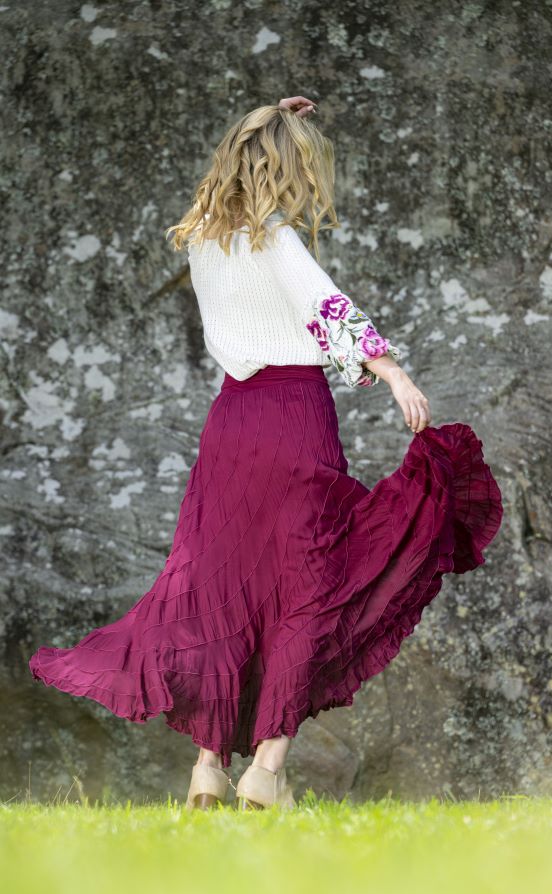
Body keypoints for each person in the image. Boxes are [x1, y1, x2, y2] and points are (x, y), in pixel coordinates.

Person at [29, 96, 503, 812]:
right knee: (309, 586)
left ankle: (207, 770)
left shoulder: (201, 234)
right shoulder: (277, 238)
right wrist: (394, 374)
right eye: (303, 167)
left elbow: (236, 187)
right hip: (292, 418)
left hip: (230, 427)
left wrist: (267, 118)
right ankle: (267, 771)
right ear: (286, 170)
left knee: (223, 590)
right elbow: (328, 305)